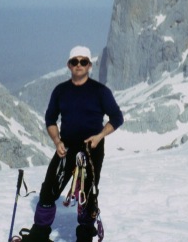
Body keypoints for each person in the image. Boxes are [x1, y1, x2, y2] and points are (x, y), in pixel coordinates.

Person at [20, 46, 124, 242]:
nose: (79, 65)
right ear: (69, 65)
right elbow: (50, 119)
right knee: (50, 186)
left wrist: (100, 136)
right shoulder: (60, 91)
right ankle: (39, 234)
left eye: (83, 61)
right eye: (75, 61)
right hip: (66, 146)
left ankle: (84, 236)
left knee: (88, 193)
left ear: (89, 65)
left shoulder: (100, 91)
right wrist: (57, 140)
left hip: (91, 147)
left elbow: (117, 118)